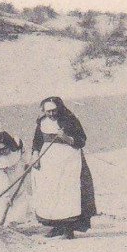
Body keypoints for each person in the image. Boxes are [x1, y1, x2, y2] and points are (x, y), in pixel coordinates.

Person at [30, 96, 97, 239]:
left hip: (68, 161)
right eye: (48, 111)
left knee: (67, 192)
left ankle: (68, 228)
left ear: (59, 108)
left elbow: (81, 140)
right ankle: (56, 227)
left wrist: (65, 137)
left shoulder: (70, 120)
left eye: (54, 111)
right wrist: (35, 155)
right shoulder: (42, 122)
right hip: (49, 163)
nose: (51, 114)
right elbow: (37, 141)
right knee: (51, 192)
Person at [0, 131, 32, 227]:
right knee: (0, 200)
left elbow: (25, 152)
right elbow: (2, 182)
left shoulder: (17, 144)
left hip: (15, 173)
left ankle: (16, 220)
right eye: (0, 150)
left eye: (5, 149)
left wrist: (27, 163)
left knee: (19, 195)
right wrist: (7, 197)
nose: (3, 152)